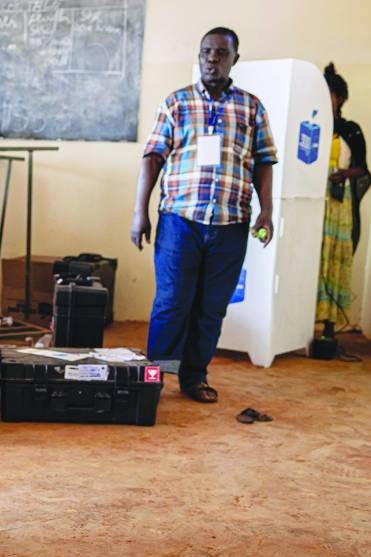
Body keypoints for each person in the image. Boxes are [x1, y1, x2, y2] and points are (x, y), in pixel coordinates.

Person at [131, 27, 277, 403]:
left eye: (221, 53)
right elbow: (152, 158)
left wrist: (267, 211)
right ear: (199, 57)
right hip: (180, 220)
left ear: (234, 60)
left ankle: (194, 378)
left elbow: (263, 162)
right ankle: (155, 378)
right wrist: (140, 213)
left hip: (231, 223)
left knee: (211, 308)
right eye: (206, 52)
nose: (212, 59)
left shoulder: (252, 107)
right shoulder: (176, 103)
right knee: (171, 303)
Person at [316, 63, 371, 328]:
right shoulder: (309, 125)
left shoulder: (351, 129)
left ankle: (328, 323)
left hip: (338, 202)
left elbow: (362, 167)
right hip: (312, 200)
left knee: (333, 256)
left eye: (331, 94)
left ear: (340, 98)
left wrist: (343, 175)